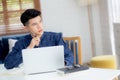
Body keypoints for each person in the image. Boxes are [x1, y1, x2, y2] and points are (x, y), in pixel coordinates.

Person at [4, 9, 74, 69]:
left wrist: (63, 63)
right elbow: (8, 64)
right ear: (26, 28)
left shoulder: (56, 37)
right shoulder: (21, 43)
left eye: (40, 21)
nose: (39, 26)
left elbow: (69, 56)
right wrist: (29, 48)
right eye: (34, 24)